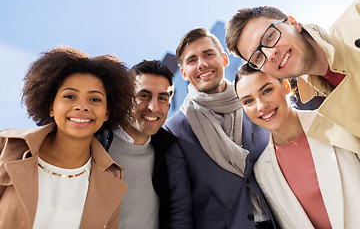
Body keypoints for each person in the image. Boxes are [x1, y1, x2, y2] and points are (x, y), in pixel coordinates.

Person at [0, 47, 135, 228]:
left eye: (95, 99)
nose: (82, 106)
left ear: (107, 113)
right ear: (51, 106)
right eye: (70, 96)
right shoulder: (6, 146)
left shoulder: (112, 175)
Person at [164, 28, 277, 228]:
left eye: (208, 54)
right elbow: (180, 206)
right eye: (192, 60)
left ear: (224, 59)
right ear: (183, 73)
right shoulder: (174, 130)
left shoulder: (255, 105)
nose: (202, 64)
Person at [225, 0, 360, 152]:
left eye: (270, 36)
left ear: (293, 23)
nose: (270, 54)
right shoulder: (323, 112)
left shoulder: (356, 19)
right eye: (258, 57)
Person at [234, 63, 360, 229]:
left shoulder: (336, 124)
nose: (261, 106)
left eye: (267, 91)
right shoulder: (262, 171)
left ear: (286, 85)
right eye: (248, 101)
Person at [98, 60, 176, 229]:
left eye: (162, 98)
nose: (153, 107)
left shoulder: (172, 150)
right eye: (144, 95)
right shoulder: (95, 143)